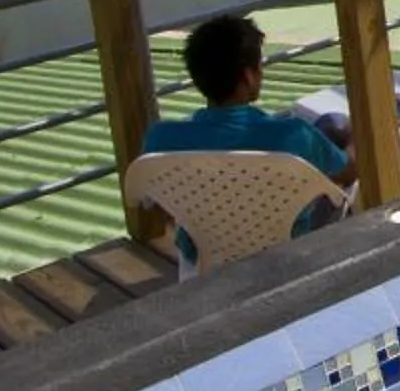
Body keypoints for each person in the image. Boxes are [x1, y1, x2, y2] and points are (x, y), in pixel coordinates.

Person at [141, 15, 353, 240]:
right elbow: (350, 171)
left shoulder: (161, 140)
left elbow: (154, 203)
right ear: (248, 76)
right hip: (288, 251)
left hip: (206, 255)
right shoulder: (295, 135)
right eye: (259, 65)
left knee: (330, 127)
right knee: (337, 131)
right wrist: (355, 137)